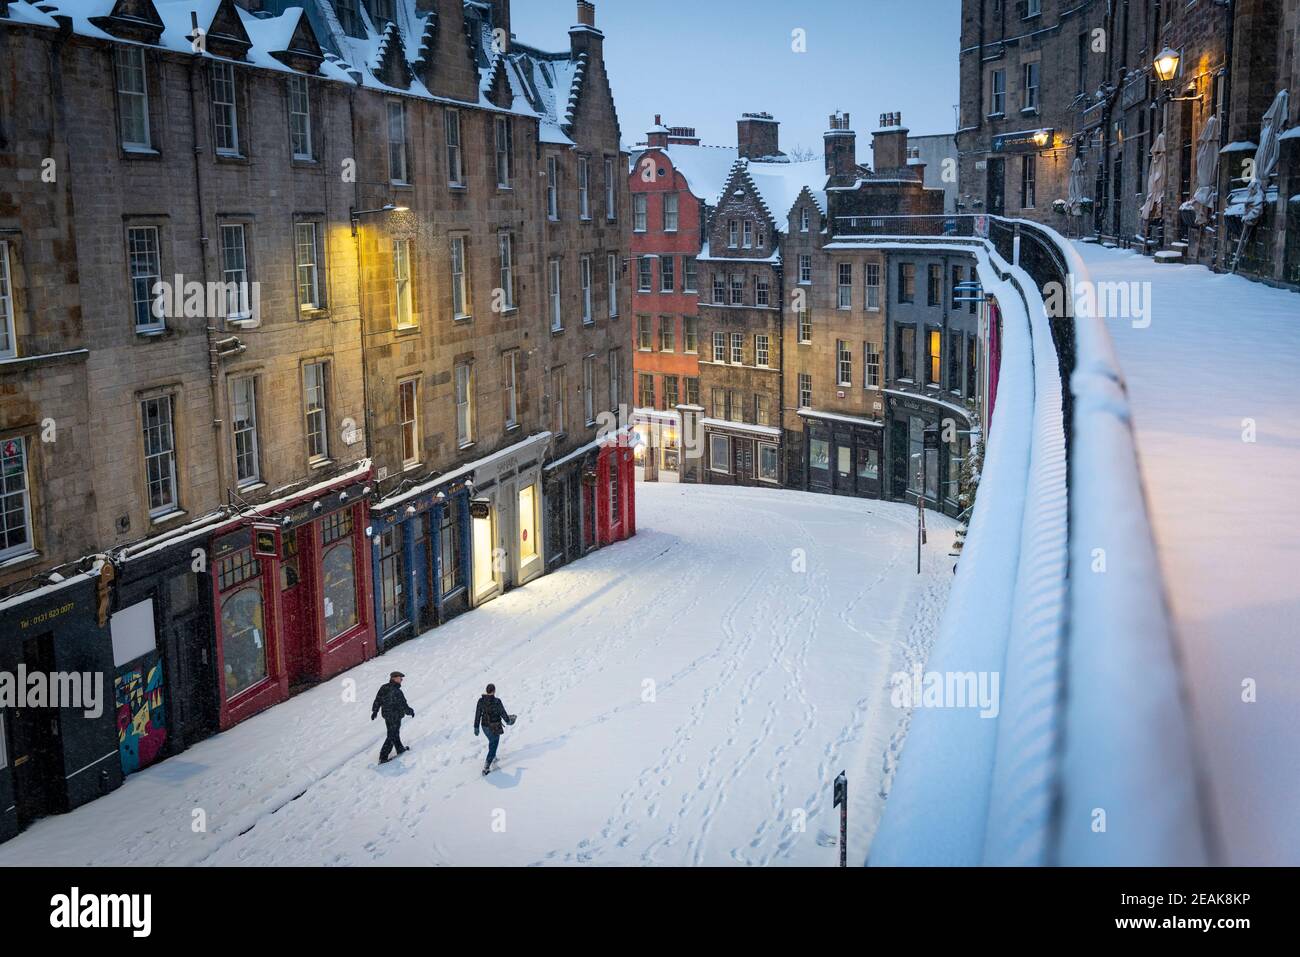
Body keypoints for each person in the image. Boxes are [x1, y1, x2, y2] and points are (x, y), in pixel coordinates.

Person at [372, 671, 415, 764]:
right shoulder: (397, 691)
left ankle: (399, 749)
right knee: (392, 735)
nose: (402, 679)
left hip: (387, 716)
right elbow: (403, 704)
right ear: (394, 678)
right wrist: (410, 711)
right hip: (395, 716)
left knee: (394, 733)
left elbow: (378, 700)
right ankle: (383, 757)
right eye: (400, 678)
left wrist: (375, 711)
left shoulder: (384, 687)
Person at [473, 683, 514, 775]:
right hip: (494, 727)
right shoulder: (497, 701)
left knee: (492, 741)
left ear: (486, 691)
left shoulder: (481, 701)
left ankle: (493, 755)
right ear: (494, 691)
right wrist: (508, 721)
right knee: (494, 743)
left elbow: (477, 714)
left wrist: (476, 727)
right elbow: (503, 713)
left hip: (484, 727)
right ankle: (486, 767)